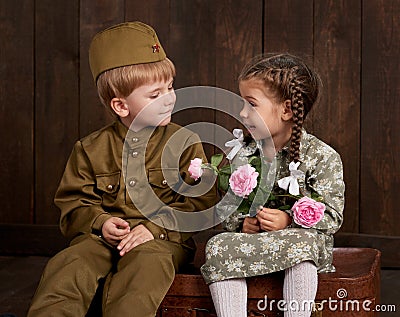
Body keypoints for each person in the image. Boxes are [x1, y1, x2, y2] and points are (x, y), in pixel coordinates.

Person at [27, 21, 216, 317]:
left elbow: (199, 203)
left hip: (161, 241)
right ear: (121, 106)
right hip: (101, 240)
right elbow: (72, 205)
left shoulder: (185, 142)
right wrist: (101, 222)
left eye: (170, 87)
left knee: (145, 269)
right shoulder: (89, 149)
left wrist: (152, 229)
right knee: (69, 265)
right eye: (155, 95)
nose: (170, 98)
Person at [201, 53, 345, 317]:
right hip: (253, 246)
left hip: (297, 246)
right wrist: (244, 223)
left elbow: (333, 216)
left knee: (305, 244)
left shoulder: (322, 156)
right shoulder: (243, 155)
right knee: (218, 245)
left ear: (287, 110)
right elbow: (228, 211)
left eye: (251, 104)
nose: (243, 113)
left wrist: (288, 220)